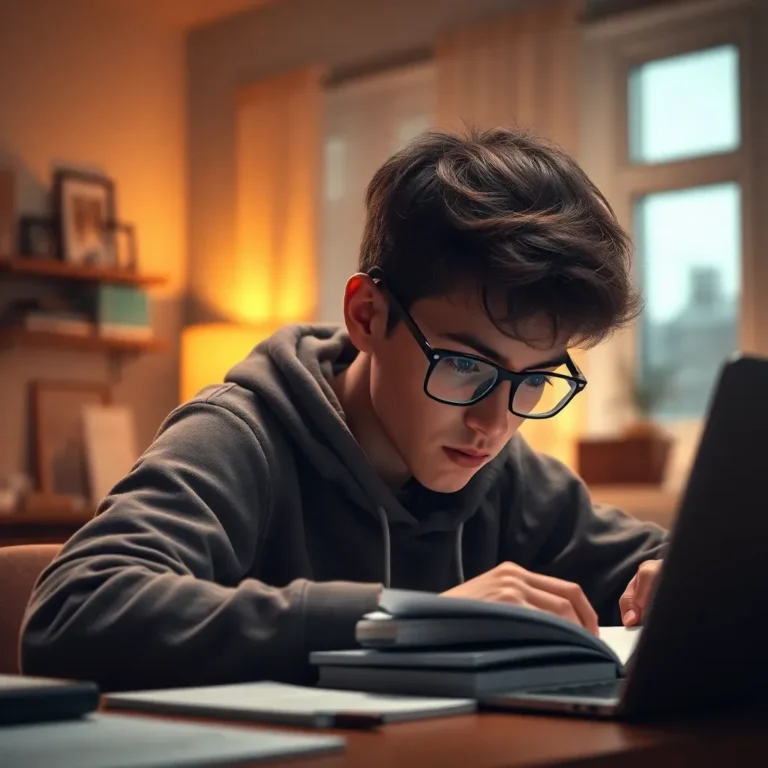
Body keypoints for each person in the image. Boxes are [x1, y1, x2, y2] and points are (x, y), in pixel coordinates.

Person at [21, 129, 667, 692]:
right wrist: (405, 619)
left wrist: (679, 578)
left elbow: (674, 562)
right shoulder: (239, 435)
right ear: (366, 315)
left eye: (533, 380)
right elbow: (74, 611)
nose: (494, 424)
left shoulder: (505, 473)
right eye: (467, 365)